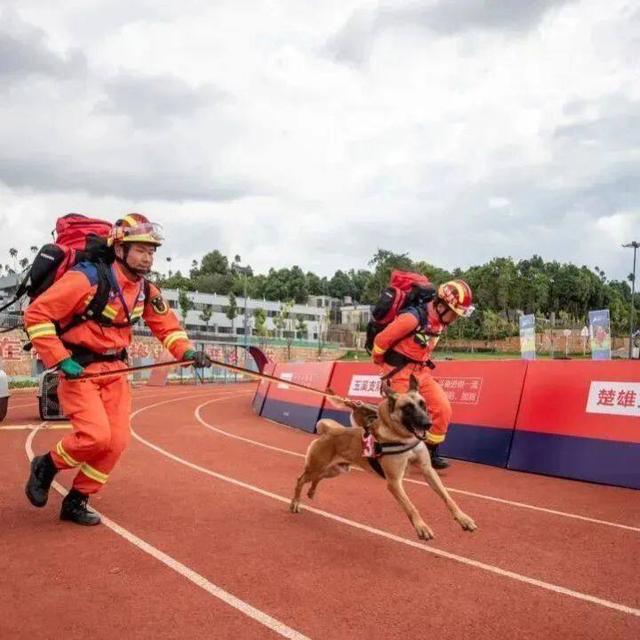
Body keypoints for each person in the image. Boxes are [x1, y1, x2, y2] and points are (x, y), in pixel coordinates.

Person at [24, 213, 210, 525]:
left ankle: (77, 499)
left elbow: (169, 329)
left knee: (117, 442)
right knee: (95, 437)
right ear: (119, 249)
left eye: (151, 251)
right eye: (140, 250)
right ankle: (46, 465)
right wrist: (59, 358)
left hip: (116, 372)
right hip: (80, 370)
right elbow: (37, 314)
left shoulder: (146, 291)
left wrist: (187, 351)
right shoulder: (87, 279)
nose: (148, 257)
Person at [371, 280, 474, 469]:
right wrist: (382, 366)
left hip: (421, 373)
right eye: (455, 313)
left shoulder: (440, 323)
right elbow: (380, 342)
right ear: (441, 306)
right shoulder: (412, 319)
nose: (455, 319)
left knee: (442, 408)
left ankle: (429, 451)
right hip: (399, 373)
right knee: (400, 418)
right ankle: (376, 450)